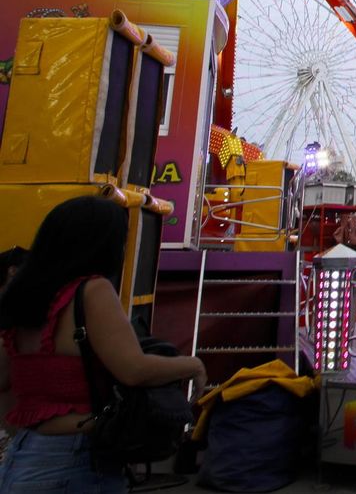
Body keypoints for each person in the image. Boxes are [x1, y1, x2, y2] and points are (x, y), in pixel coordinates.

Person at [0, 196, 206, 492]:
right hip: (77, 459)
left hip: (23, 456)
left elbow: (3, 381)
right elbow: (133, 369)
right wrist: (192, 365)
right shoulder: (92, 291)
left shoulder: (22, 296)